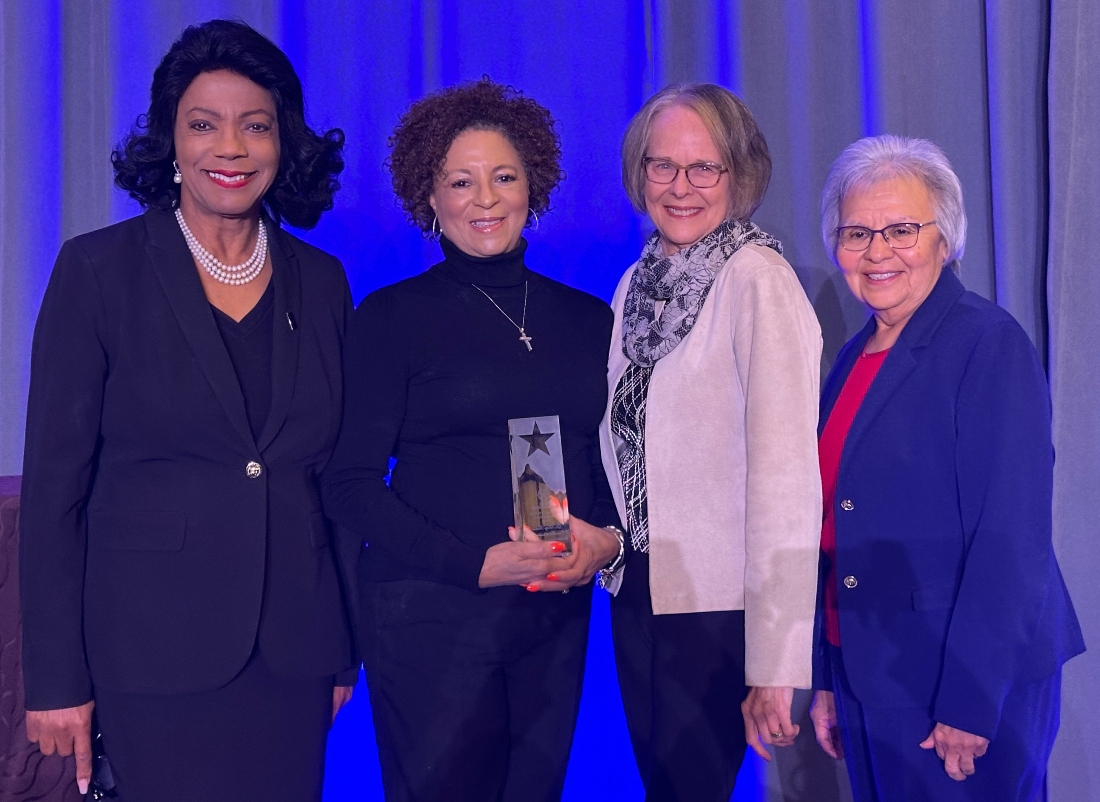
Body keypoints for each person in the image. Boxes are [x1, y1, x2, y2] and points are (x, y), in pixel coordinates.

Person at [20, 20, 357, 802]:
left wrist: (341, 649)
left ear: (284, 141)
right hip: (149, 653)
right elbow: (54, 494)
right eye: (203, 125)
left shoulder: (324, 280)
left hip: (294, 656)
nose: (230, 148)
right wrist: (55, 678)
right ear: (171, 142)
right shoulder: (98, 271)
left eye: (255, 125)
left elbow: (334, 477)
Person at [321, 78, 622, 802]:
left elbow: (607, 466)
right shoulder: (390, 319)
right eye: (461, 180)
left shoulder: (588, 320)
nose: (485, 199)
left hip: (550, 611)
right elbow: (350, 483)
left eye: (504, 177)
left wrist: (604, 544)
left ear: (534, 185)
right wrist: (473, 565)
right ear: (430, 196)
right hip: (429, 614)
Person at [809, 134, 1085, 801]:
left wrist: (969, 698)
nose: (878, 252)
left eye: (902, 229)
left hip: (957, 683)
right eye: (857, 232)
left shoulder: (987, 345)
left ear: (946, 238)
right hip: (868, 669)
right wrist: (826, 672)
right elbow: (832, 521)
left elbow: (1010, 538)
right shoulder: (851, 357)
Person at [598, 83, 823, 800]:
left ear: (740, 175)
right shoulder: (636, 284)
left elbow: (789, 480)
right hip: (640, 591)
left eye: (705, 168)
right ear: (640, 174)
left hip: (722, 609)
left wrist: (777, 662)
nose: (681, 187)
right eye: (663, 166)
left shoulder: (758, 280)